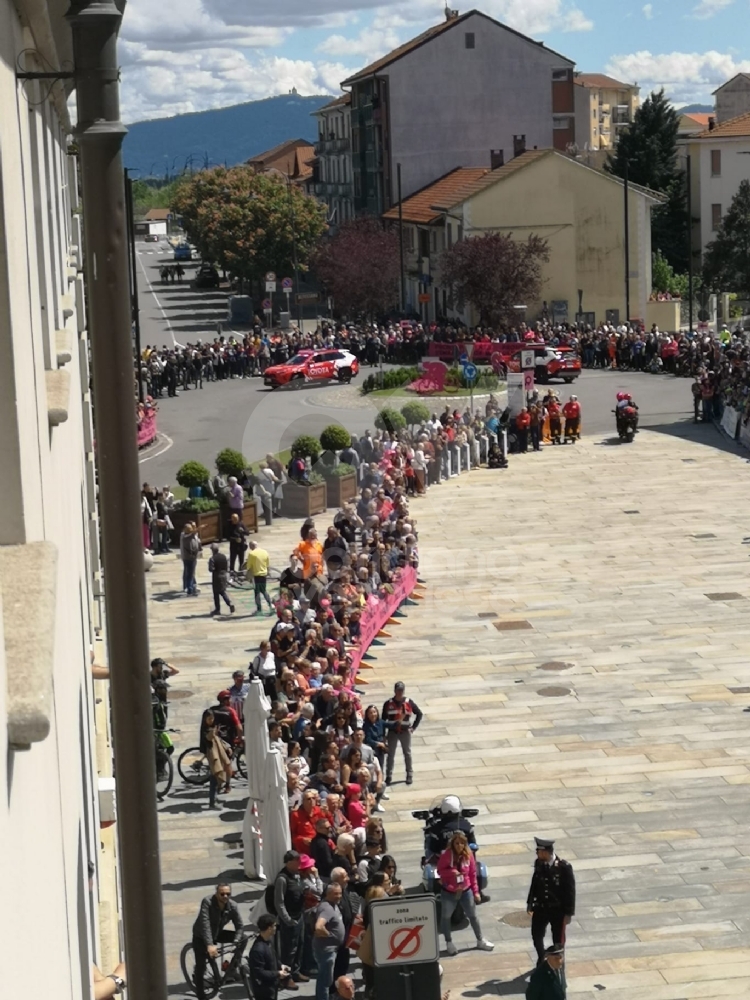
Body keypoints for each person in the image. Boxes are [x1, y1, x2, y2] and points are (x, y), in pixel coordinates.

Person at [436, 830, 494, 956]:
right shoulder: (446, 855)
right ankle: (449, 943)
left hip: (465, 890)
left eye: (462, 843)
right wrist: (452, 873)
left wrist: (476, 892)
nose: (459, 846)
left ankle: (480, 940)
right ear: (452, 844)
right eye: (457, 843)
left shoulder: (468, 855)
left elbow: (472, 874)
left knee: (473, 916)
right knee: (446, 917)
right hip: (449, 891)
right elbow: (440, 871)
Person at [191, 884, 247, 1000]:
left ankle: (232, 968)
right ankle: (201, 996)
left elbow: (240, 926)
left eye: (228, 894)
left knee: (244, 938)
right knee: (201, 968)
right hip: (201, 936)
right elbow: (205, 925)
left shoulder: (232, 906)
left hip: (217, 933)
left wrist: (236, 941)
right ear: (216, 894)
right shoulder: (207, 902)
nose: (225, 896)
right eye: (222, 894)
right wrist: (210, 945)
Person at [526, 838, 575, 966]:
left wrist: (568, 913)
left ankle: (558, 963)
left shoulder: (564, 867)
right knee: (536, 935)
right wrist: (530, 902)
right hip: (541, 908)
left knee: (558, 940)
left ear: (545, 852)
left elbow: (570, 892)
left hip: (557, 910)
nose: (537, 855)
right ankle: (542, 957)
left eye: (539, 852)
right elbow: (535, 883)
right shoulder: (539, 863)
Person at [274, 850, 308, 989]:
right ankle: (286, 978)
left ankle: (295, 972)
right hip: (289, 920)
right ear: (288, 863)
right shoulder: (282, 879)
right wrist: (287, 919)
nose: (299, 864)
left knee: (299, 945)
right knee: (289, 951)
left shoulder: (297, 875)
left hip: (299, 916)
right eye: (296, 862)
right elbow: (279, 902)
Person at [382, 681, 423, 786]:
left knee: (407, 754)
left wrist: (413, 727)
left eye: (401, 690)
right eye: (398, 690)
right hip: (392, 732)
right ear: (394, 691)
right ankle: (389, 776)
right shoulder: (388, 703)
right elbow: (383, 720)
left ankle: (409, 774)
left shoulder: (409, 702)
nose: (400, 692)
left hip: (405, 732)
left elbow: (419, 713)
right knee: (390, 755)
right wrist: (383, 735)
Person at [312, 882, 345, 1000]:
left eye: (340, 893)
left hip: (331, 949)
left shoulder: (333, 905)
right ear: (328, 894)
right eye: (336, 894)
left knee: (326, 978)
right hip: (327, 950)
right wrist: (329, 935)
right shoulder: (326, 908)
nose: (339, 896)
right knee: (325, 980)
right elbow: (319, 927)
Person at [249, 913, 289, 1000]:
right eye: (274, 925)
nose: (276, 927)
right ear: (269, 928)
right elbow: (259, 973)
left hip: (271, 986)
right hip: (263, 991)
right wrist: (277, 974)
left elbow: (273, 956)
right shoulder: (258, 950)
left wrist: (280, 965)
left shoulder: (267, 941)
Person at [247, 539, 275, 615]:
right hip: (264, 574)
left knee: (257, 593)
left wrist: (248, 576)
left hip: (256, 575)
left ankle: (259, 609)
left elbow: (249, 566)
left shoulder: (251, 554)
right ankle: (271, 605)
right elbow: (267, 564)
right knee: (263, 590)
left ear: (251, 546)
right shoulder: (265, 552)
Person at [208, 544, 235, 616]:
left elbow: (211, 569)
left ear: (212, 550)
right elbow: (227, 566)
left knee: (216, 593)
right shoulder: (224, 556)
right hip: (224, 575)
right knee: (222, 591)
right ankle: (229, 603)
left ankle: (218, 609)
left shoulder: (212, 558)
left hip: (217, 577)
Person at [180, 522, 200, 596]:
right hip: (189, 558)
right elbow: (193, 534)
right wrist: (199, 528)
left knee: (190, 574)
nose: (192, 530)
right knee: (189, 574)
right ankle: (190, 589)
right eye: (190, 529)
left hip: (190, 558)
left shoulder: (188, 536)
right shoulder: (185, 537)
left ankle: (191, 586)